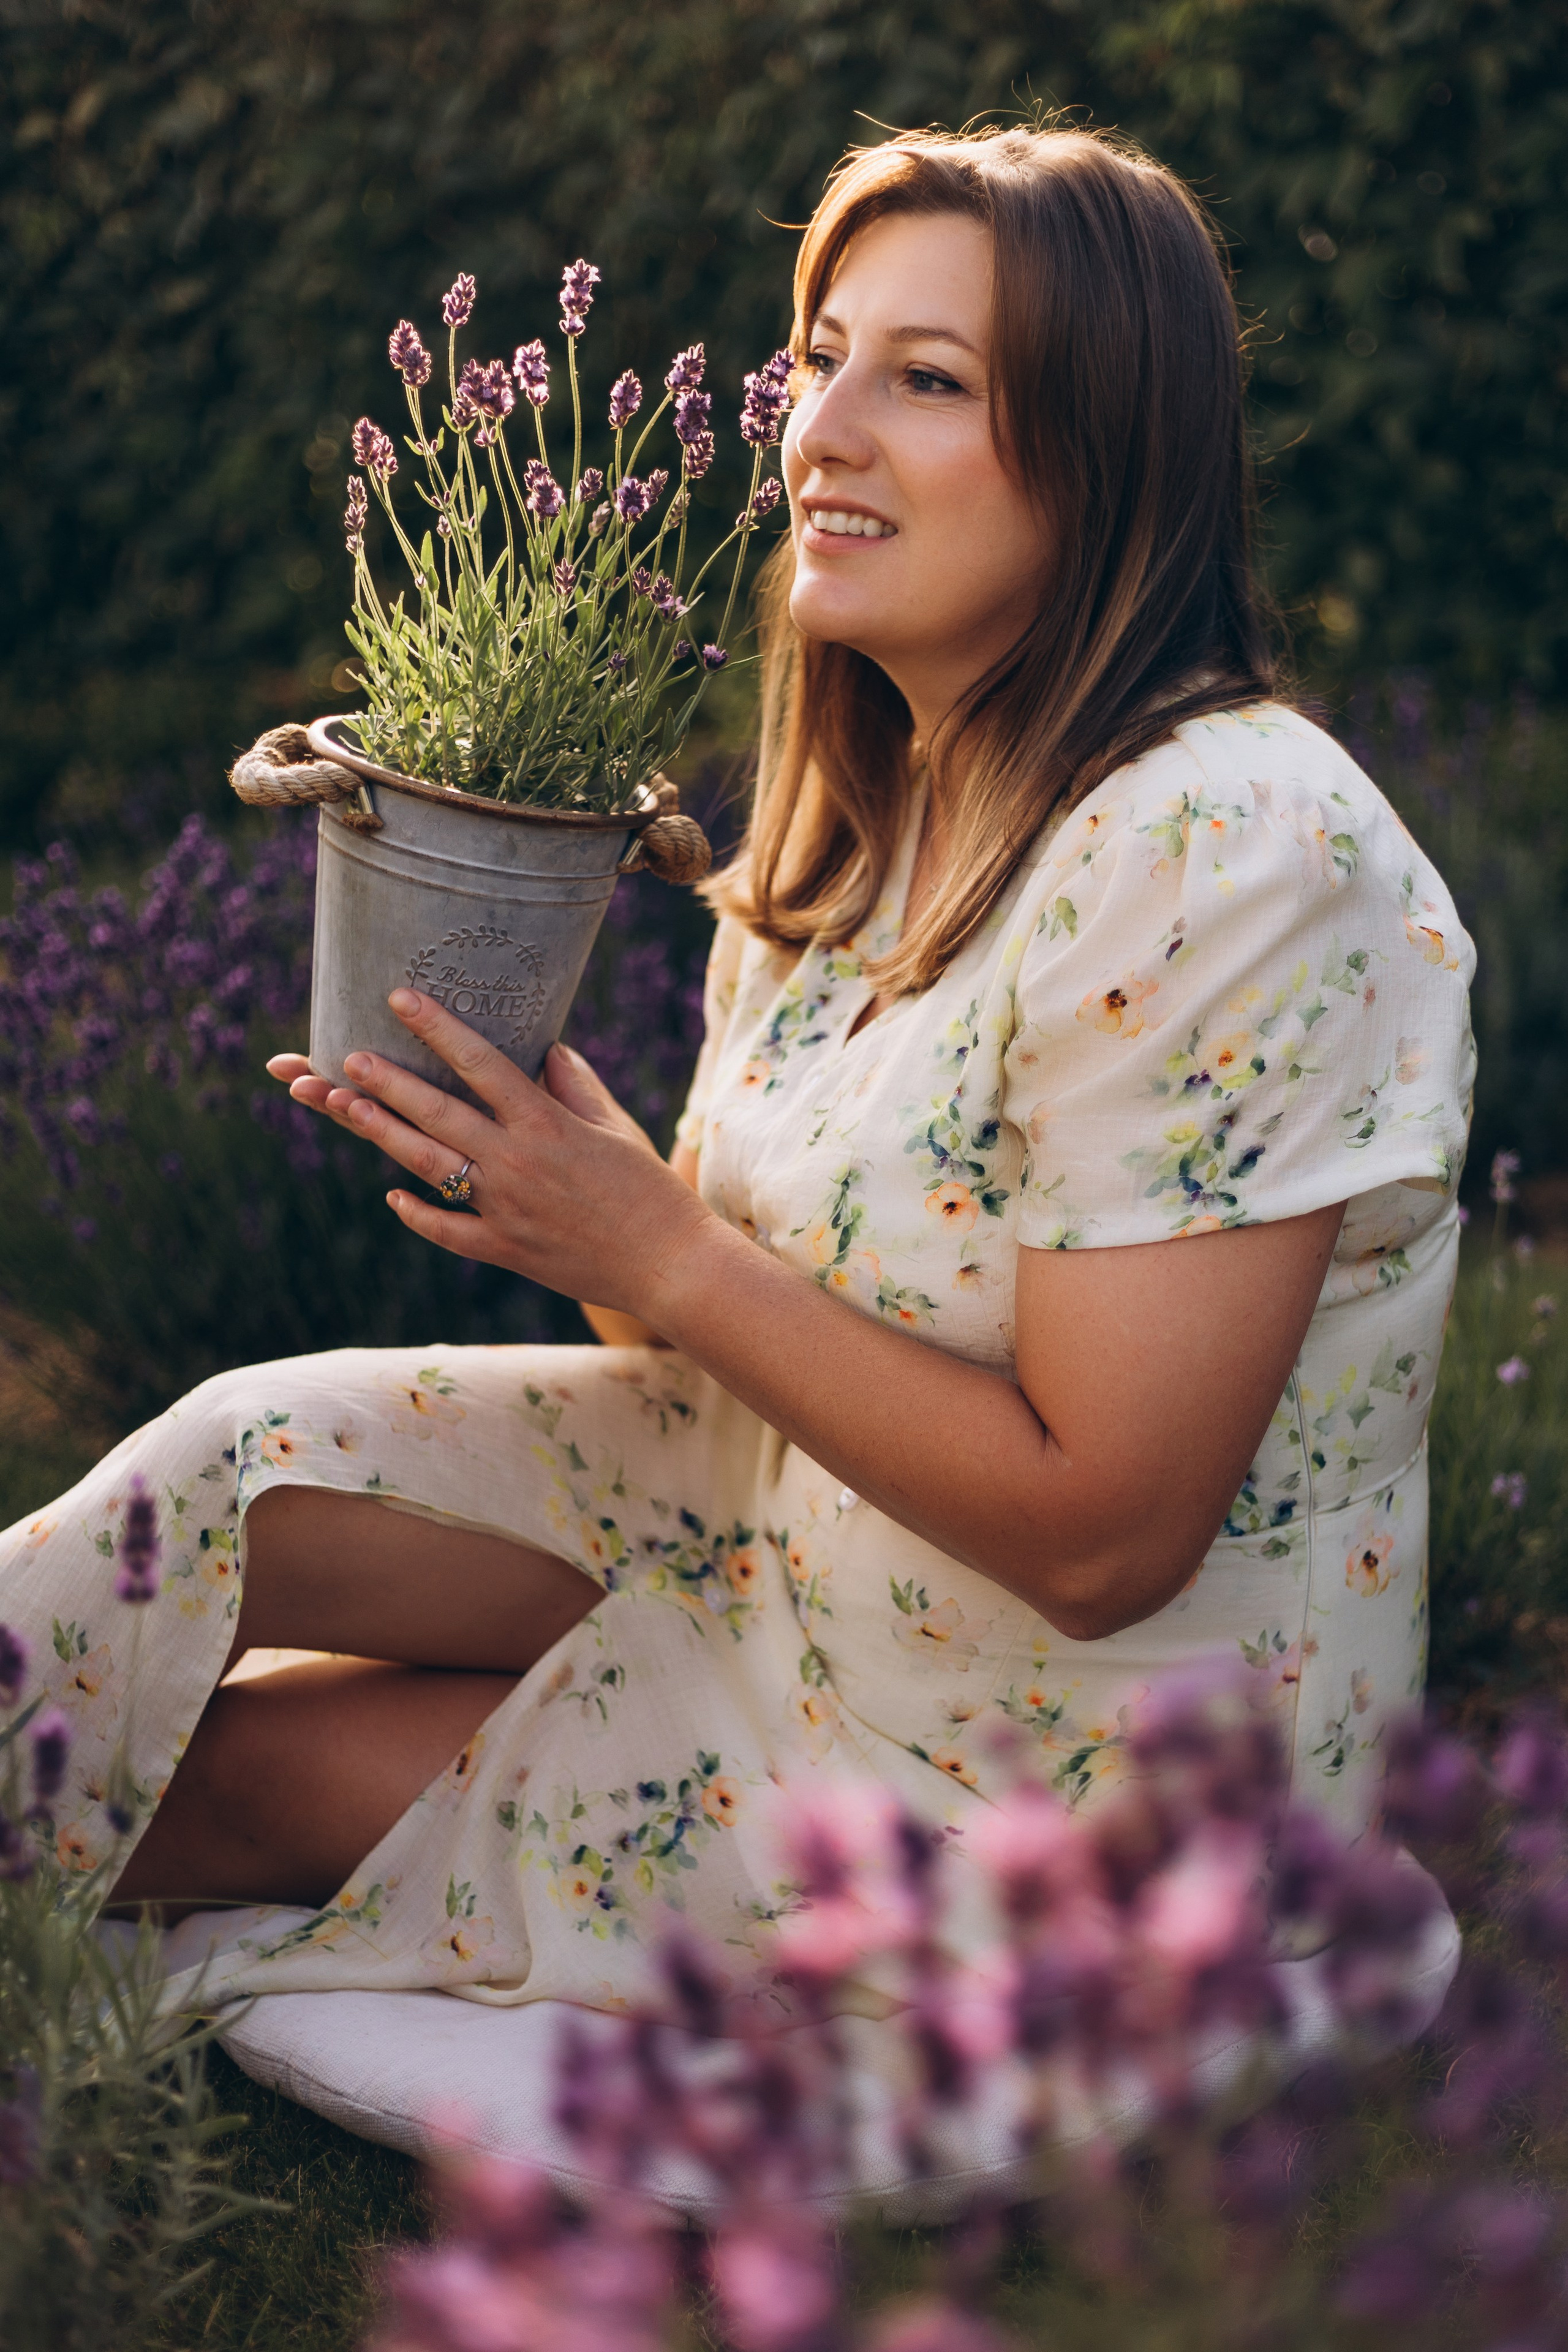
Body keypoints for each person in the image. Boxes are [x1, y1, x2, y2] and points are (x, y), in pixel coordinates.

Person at [3, 124, 1472, 2019]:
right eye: (823, 357)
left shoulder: (1233, 854)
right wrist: (570, 1199)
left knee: (247, 1774)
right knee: (215, 1483)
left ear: (1109, 453)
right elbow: (705, 1333)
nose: (818, 432)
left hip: (1046, 1795)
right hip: (779, 1539)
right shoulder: (857, 829)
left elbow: (1109, 1536)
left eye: (925, 380)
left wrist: (666, 1250)